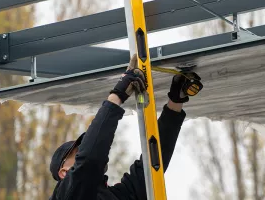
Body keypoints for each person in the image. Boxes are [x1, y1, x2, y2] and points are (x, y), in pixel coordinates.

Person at [49, 55, 201, 200]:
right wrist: (117, 96)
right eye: (77, 155)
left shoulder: (112, 196)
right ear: (64, 172)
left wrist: (175, 102)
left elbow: (148, 173)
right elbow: (89, 160)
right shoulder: (65, 195)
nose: (86, 150)